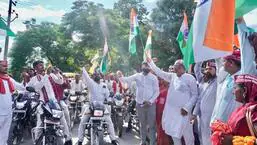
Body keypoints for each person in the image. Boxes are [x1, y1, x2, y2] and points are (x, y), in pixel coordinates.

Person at [211, 17, 257, 123]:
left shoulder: (247, 72)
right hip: (223, 127)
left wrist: (240, 25)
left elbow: (246, 52)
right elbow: (219, 58)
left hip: (238, 128)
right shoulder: (228, 78)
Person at [146, 58, 198, 145]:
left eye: (176, 67)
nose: (174, 69)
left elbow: (195, 95)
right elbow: (159, 72)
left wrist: (187, 107)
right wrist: (150, 62)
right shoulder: (172, 76)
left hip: (184, 113)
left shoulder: (190, 78)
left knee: (188, 137)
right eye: (174, 67)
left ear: (182, 68)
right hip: (172, 113)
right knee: (175, 136)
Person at [27, 61, 72, 145]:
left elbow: (60, 82)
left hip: (53, 102)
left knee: (62, 119)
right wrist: (46, 75)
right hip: (42, 102)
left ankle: (68, 139)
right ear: (35, 68)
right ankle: (37, 140)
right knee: (40, 122)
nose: (42, 66)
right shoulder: (34, 79)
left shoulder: (50, 75)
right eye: (40, 65)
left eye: (42, 65)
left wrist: (57, 73)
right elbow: (37, 87)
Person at [119, 62, 159, 145]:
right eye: (145, 65)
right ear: (142, 66)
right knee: (142, 124)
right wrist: (120, 77)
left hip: (150, 105)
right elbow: (127, 79)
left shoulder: (154, 78)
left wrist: (150, 101)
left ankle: (152, 143)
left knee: (152, 125)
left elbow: (157, 92)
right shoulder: (137, 76)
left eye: (148, 65)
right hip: (139, 104)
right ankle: (143, 141)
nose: (147, 67)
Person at [211, 74, 257, 145]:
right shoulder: (242, 108)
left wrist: (235, 141)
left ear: (244, 90)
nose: (233, 92)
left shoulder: (254, 112)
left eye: (235, 88)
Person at [77, 67, 119, 145]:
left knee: (109, 121)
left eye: (98, 74)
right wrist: (83, 68)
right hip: (91, 107)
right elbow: (86, 76)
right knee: (83, 121)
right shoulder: (91, 83)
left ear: (100, 76)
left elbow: (108, 95)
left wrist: (109, 100)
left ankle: (113, 140)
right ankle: (80, 140)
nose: (96, 75)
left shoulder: (104, 85)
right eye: (95, 74)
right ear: (93, 76)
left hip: (102, 107)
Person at [191, 61, 217, 145]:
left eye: (210, 69)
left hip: (212, 115)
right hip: (201, 116)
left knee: (210, 138)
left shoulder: (218, 81)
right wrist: (200, 59)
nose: (207, 71)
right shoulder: (203, 81)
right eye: (206, 69)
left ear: (216, 70)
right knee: (201, 137)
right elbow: (196, 69)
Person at [0, 60, 25, 145]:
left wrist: (25, 78)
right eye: (3, 65)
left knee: (5, 135)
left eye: (6, 66)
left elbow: (21, 87)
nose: (6, 67)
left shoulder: (9, 79)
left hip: (8, 112)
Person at [156, 77, 171, 145]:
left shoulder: (167, 91)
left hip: (165, 114)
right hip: (160, 114)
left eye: (163, 79)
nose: (161, 81)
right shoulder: (160, 90)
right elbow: (158, 103)